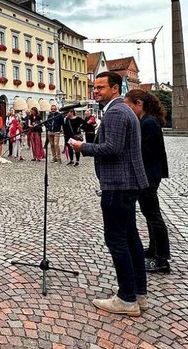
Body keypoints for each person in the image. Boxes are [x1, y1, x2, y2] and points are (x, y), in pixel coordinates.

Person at [69, 71, 149, 317]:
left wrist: (82, 146)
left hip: (118, 184)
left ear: (115, 89)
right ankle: (138, 293)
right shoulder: (124, 111)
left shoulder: (115, 111)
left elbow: (111, 149)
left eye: (101, 87)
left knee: (117, 240)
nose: (95, 91)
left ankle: (126, 299)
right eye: (94, 87)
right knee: (131, 238)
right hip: (127, 183)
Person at [124, 89, 171, 273]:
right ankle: (154, 249)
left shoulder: (149, 122)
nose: (128, 110)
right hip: (148, 174)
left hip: (149, 175)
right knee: (149, 213)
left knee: (153, 215)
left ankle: (162, 259)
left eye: (129, 106)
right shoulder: (146, 120)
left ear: (139, 104)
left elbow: (147, 152)